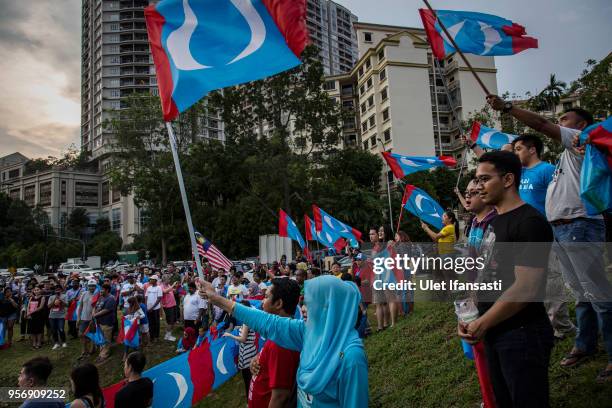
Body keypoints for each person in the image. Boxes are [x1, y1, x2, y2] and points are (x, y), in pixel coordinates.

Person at [487, 95, 612, 382]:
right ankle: (585, 344)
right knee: (581, 292)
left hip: (579, 226)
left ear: (581, 124)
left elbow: (541, 124)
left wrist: (508, 108)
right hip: (564, 229)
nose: (560, 122)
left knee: (598, 293)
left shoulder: (582, 141)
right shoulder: (567, 156)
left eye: (565, 119)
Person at [459, 151, 554, 407]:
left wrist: (483, 322)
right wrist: (471, 314)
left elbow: (526, 287)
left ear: (508, 179)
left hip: (522, 334)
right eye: (476, 181)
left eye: (484, 179)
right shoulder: (495, 221)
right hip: (494, 331)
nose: (478, 188)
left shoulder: (530, 222)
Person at [201, 275, 368, 408]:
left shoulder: (352, 358)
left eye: (309, 304)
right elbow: (266, 322)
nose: (302, 309)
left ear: (329, 310)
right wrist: (216, 299)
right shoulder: (307, 332)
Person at [223, 300, 258, 400]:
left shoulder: (246, 321)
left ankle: (250, 400)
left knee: (248, 379)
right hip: (250, 350)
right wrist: (239, 327)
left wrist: (230, 335)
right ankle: (251, 398)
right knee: (250, 377)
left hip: (247, 352)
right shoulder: (249, 319)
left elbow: (243, 338)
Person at [93, 283, 116, 363]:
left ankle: (105, 354)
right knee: (101, 339)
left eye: (102, 289)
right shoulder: (101, 297)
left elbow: (107, 310)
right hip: (100, 322)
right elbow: (96, 306)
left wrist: (95, 315)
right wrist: (94, 312)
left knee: (106, 339)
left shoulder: (111, 298)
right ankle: (101, 353)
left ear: (107, 290)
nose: (101, 291)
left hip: (107, 322)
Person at [77, 280, 97, 360]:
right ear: (87, 286)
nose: (91, 287)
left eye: (93, 286)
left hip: (92, 318)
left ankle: (92, 349)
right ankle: (84, 350)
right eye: (90, 286)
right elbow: (80, 306)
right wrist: (78, 317)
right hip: (83, 318)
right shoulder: (84, 294)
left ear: (95, 287)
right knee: (81, 334)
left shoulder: (97, 295)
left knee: (92, 334)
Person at [47, 285, 67, 349]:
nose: (57, 291)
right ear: (54, 291)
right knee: (54, 330)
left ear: (61, 290)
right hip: (52, 316)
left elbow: (67, 305)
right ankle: (56, 343)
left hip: (61, 316)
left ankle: (63, 342)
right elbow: (49, 306)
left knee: (61, 329)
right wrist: (55, 299)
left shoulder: (64, 296)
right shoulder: (51, 297)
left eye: (59, 289)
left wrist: (60, 300)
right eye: (56, 290)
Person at [144, 275, 162, 342]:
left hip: (155, 308)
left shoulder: (159, 288)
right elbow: (146, 297)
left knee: (156, 322)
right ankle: (152, 336)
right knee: (150, 322)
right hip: (148, 308)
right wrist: (146, 306)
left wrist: (153, 307)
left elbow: (159, 298)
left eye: (151, 279)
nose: (150, 280)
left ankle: (156, 336)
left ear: (155, 280)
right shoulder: (149, 288)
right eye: (150, 279)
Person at [161, 276, 178, 341]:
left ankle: (169, 334)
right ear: (164, 279)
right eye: (168, 278)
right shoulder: (161, 286)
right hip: (168, 306)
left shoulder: (168, 285)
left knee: (173, 321)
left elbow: (172, 290)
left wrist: (175, 288)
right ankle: (167, 336)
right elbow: (165, 291)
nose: (169, 279)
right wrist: (173, 285)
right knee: (170, 322)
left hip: (173, 304)